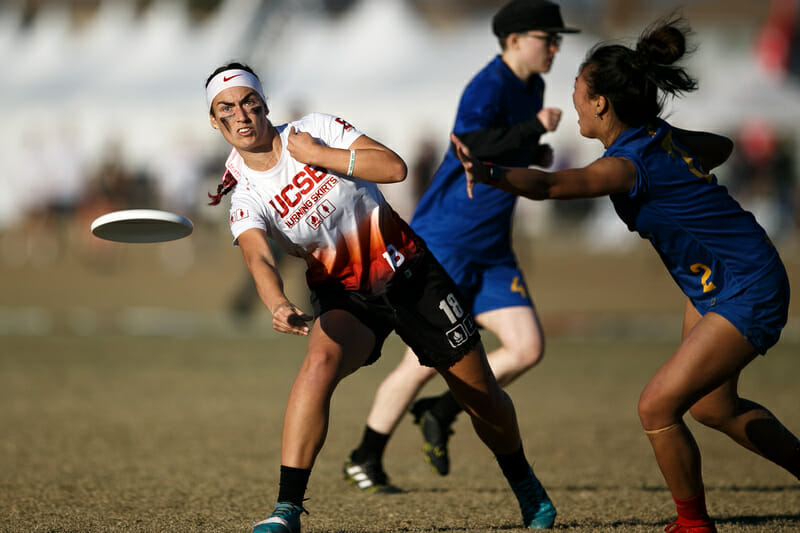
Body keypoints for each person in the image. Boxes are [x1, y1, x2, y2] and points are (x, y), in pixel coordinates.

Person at [451, 16, 800, 533]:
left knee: (656, 407)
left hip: (747, 284)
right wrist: (689, 170)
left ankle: (693, 525)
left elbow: (551, 188)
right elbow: (720, 149)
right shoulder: (656, 139)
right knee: (711, 406)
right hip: (721, 280)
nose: (571, 91)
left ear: (599, 103)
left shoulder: (626, 165)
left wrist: (489, 172)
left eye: (578, 84)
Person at [204, 62, 560, 533]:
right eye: (226, 108)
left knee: (480, 397)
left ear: (264, 103)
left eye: (249, 102)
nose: (242, 115)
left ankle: (527, 488)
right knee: (317, 367)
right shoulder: (244, 191)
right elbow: (259, 259)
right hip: (345, 294)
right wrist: (277, 303)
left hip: (411, 274)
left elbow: (394, 167)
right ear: (215, 121)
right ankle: (286, 511)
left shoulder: (314, 130)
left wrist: (321, 156)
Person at [344, 0, 579, 492]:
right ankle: (364, 457)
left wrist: (533, 151)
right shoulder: (488, 84)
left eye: (558, 39)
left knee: (527, 346)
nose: (555, 46)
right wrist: (534, 129)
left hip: (492, 247)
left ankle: (443, 409)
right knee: (420, 363)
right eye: (546, 37)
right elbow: (473, 144)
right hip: (447, 241)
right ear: (514, 40)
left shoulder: (532, 85)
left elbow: (503, 149)